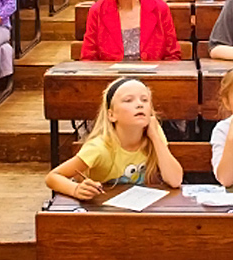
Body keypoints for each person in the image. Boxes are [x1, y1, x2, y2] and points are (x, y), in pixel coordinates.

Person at [44, 78, 184, 199]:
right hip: (102, 209)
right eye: (128, 100)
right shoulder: (99, 147)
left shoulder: (154, 134)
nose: (139, 104)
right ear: (111, 115)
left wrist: (155, 138)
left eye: (145, 100)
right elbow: (53, 176)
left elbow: (175, 180)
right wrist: (75, 189)